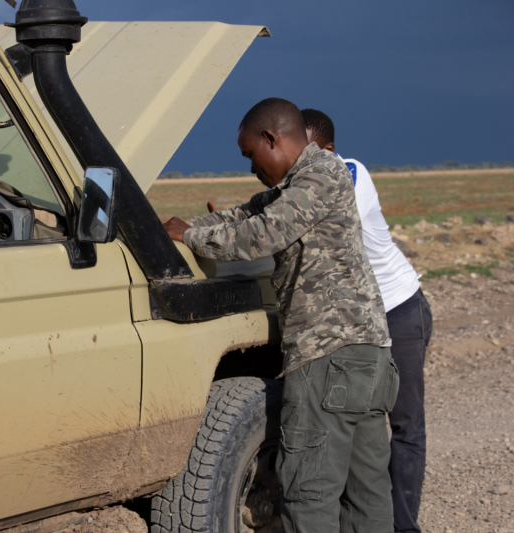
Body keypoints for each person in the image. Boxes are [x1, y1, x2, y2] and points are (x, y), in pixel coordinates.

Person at [163, 97, 398, 533]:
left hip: (330, 356)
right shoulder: (303, 182)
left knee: (309, 493)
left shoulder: (320, 175)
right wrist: (185, 227)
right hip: (365, 357)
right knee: (366, 495)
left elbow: (261, 234)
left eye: (251, 154)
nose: (251, 166)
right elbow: (249, 212)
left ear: (273, 138)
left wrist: (193, 236)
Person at [302, 108, 433, 533]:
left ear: (329, 151)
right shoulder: (300, 188)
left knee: (405, 426)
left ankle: (403, 526)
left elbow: (303, 220)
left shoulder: (350, 173)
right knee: (362, 425)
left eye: (308, 154)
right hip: (361, 322)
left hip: (398, 310)